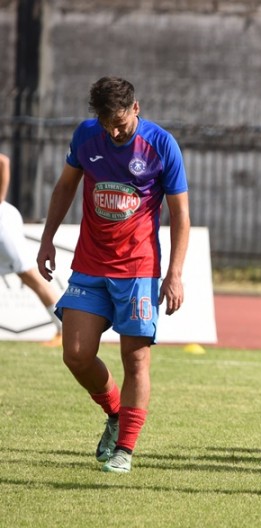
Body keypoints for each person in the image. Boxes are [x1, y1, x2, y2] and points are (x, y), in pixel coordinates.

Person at [36, 76, 190, 474]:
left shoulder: (161, 146)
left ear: (135, 108)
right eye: (107, 123)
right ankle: (115, 413)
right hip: (90, 264)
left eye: (120, 122)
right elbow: (64, 187)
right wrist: (48, 238)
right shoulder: (88, 136)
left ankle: (126, 448)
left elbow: (181, 216)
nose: (114, 130)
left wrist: (174, 273)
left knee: (135, 358)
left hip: (138, 268)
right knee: (75, 354)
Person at [0, 153, 63, 345]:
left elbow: (4, 161)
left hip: (3, 223)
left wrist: (0, 200)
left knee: (30, 276)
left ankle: (64, 329)